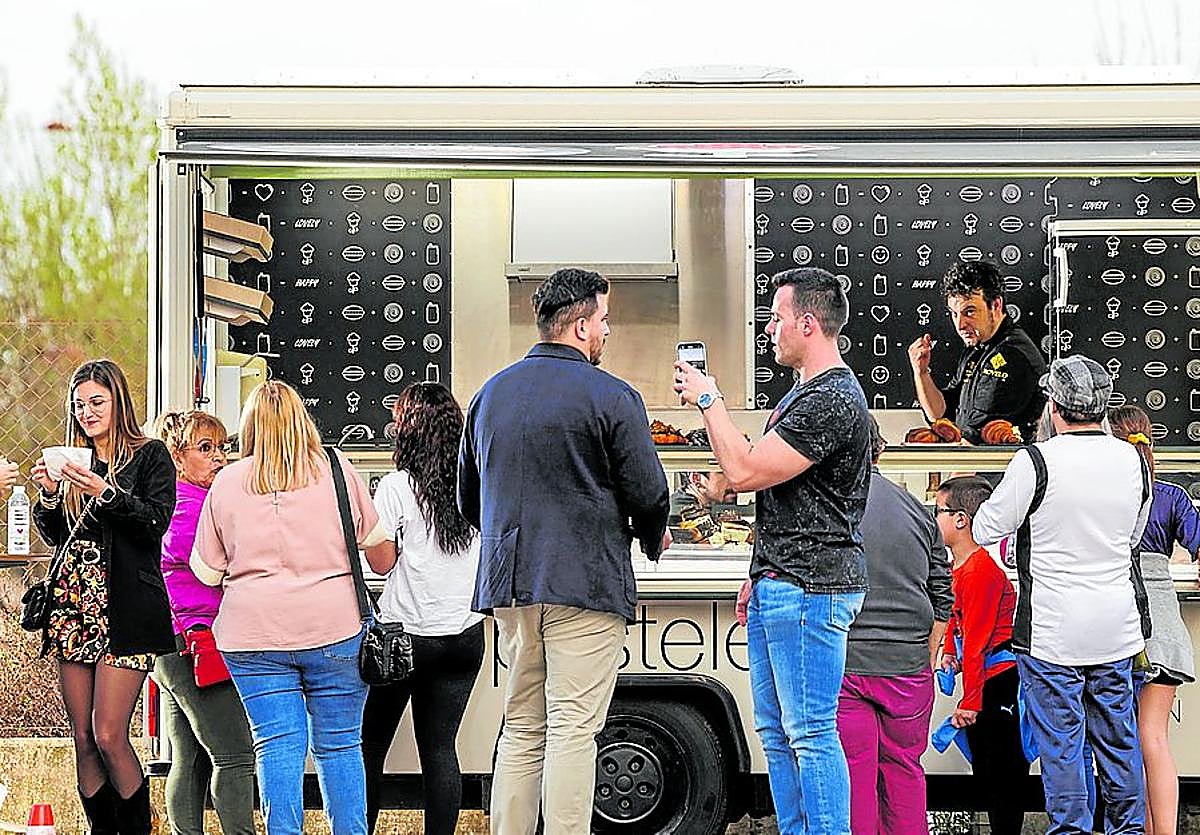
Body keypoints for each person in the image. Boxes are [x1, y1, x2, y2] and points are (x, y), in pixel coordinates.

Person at [458, 267, 670, 834]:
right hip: (585, 580)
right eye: (602, 320)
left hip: (512, 586)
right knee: (574, 726)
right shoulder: (613, 396)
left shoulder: (489, 395)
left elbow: (469, 500)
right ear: (578, 326)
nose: (606, 330)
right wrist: (654, 535)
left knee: (523, 724)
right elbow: (649, 491)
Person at [676, 267, 872, 835]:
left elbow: (744, 466)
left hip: (811, 586)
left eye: (777, 317)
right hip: (782, 582)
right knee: (778, 731)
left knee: (809, 731)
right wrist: (756, 569)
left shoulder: (832, 397)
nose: (769, 328)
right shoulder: (804, 395)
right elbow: (765, 481)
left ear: (808, 324)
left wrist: (709, 399)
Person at [190, 380, 394, 835]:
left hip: (252, 638)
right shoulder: (337, 468)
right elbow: (380, 552)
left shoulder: (227, 482)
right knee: (340, 746)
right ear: (304, 420)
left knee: (276, 746)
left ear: (250, 428)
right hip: (335, 630)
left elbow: (205, 572)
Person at [971, 355, 1152, 834]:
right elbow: (1134, 534)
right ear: (1102, 408)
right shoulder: (1133, 459)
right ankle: (1128, 829)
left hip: (1052, 632)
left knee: (1062, 744)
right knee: (1119, 740)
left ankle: (1070, 830)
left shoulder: (1035, 461)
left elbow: (988, 525)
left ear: (1054, 407)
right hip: (1116, 626)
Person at [30, 359, 177, 834]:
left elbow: (155, 522)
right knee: (82, 738)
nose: (87, 412)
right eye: (79, 404)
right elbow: (58, 536)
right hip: (74, 606)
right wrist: (51, 495)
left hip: (125, 612)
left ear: (118, 402)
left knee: (109, 733)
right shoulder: (74, 459)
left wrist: (106, 490)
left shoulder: (150, 455)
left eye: (97, 402)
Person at [362, 382, 484, 835]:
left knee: (370, 747)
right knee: (439, 749)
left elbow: (382, 561)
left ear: (408, 431)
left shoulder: (396, 487)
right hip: (465, 634)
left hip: (406, 636)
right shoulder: (475, 481)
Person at [837, 416, 951, 835]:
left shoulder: (832, 506)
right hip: (908, 666)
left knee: (855, 773)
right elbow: (943, 591)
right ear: (880, 451)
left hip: (849, 663)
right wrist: (927, 650)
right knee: (904, 767)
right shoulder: (917, 511)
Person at [152, 410, 255, 835]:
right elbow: (224, 564)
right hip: (194, 642)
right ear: (178, 458)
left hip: (174, 641)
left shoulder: (183, 502)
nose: (219, 458)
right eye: (206, 449)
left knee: (188, 757)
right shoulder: (186, 506)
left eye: (223, 447)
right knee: (235, 754)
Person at [1110, 405, 1199, 835]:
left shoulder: (1105, 495)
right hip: (1164, 625)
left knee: (1122, 743)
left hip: (1115, 625)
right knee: (1155, 738)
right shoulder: (1172, 496)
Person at [935, 476, 1029, 835]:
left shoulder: (979, 571)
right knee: (990, 773)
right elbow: (956, 623)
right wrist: (948, 654)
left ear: (961, 519)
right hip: (987, 678)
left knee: (1002, 774)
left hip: (1000, 682)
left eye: (939, 511)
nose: (934, 520)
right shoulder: (959, 568)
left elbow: (976, 641)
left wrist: (971, 701)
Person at [908, 259, 1046, 444]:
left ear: (996, 305)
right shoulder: (977, 347)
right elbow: (941, 414)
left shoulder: (1012, 355)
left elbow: (977, 439)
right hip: (977, 466)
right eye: (954, 313)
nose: (960, 325)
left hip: (1003, 469)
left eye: (970, 312)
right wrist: (921, 372)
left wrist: (956, 472)